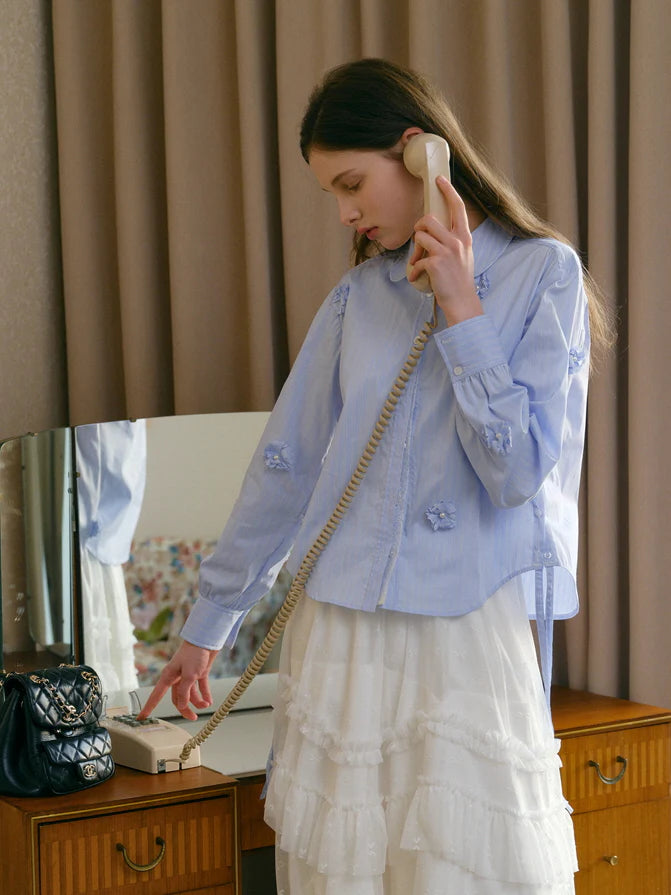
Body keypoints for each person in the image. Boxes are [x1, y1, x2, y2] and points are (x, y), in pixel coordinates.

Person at [139, 58, 611, 894]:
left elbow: (517, 474)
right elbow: (282, 467)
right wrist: (208, 622)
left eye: (352, 182)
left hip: (463, 635)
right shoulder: (357, 298)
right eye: (333, 193)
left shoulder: (546, 275)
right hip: (343, 632)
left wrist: (462, 311)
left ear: (418, 151)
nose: (347, 211)